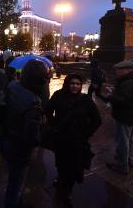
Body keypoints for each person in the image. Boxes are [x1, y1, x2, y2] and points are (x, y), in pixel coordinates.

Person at [45, 74, 101, 207]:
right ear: (67, 84)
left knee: (73, 165)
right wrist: (54, 124)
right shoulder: (58, 95)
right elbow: (48, 110)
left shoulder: (85, 99)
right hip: (61, 137)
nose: (75, 86)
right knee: (61, 162)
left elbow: (96, 119)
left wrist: (86, 133)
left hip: (77, 140)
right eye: (72, 83)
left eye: (77, 84)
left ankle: (67, 191)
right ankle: (61, 179)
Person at [1, 60, 48, 208]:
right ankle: (12, 202)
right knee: (16, 183)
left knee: (12, 177)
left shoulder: (13, 86)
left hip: (7, 139)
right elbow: (30, 137)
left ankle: (13, 198)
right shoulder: (33, 102)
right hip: (19, 149)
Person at [104, 60, 133, 174]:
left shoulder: (128, 83)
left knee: (122, 141)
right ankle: (128, 160)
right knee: (130, 140)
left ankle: (122, 165)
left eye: (118, 70)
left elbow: (123, 101)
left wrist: (110, 96)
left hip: (126, 116)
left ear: (126, 70)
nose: (116, 72)